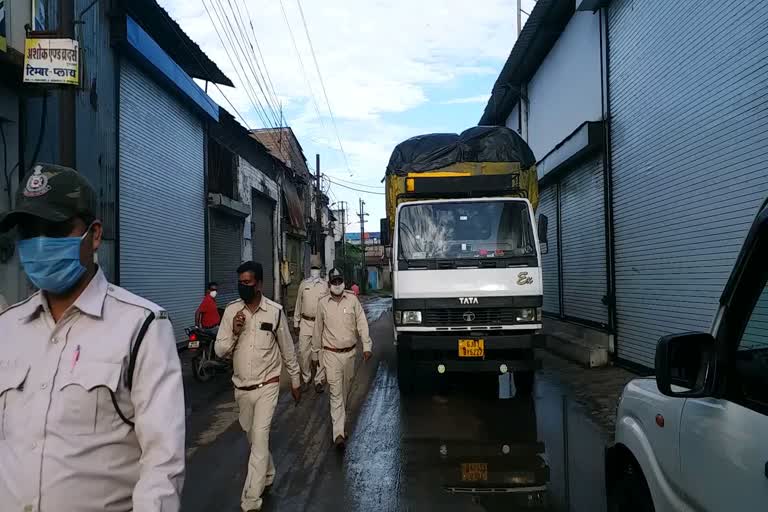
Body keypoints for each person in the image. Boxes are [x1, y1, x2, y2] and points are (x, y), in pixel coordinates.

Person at [0, 163, 185, 511]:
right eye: (28, 232)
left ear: (94, 235)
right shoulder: (6, 329)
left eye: (54, 229)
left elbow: (163, 463)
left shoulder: (141, 326)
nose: (39, 244)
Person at [215, 261, 301, 512]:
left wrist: (295, 379)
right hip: (242, 388)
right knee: (254, 438)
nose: (243, 287)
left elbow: (287, 348)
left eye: (248, 283)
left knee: (260, 437)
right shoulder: (232, 312)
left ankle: (251, 500)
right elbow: (220, 350)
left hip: (268, 385)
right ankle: (268, 472)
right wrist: (233, 331)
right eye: (240, 283)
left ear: (259, 284)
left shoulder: (274, 312)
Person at [313, 268, 373, 449]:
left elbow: (362, 323)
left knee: (345, 390)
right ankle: (338, 433)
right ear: (329, 284)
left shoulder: (353, 300)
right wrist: (316, 354)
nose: (337, 285)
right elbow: (317, 330)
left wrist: (367, 346)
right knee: (336, 393)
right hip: (330, 354)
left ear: (343, 282)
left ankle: (340, 422)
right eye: (334, 282)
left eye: (340, 281)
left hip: (350, 354)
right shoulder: (322, 304)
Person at [293, 254, 329, 393]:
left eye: (317, 268)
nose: (315, 270)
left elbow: (327, 306)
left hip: (319, 324)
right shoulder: (304, 284)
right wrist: (296, 322)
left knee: (319, 351)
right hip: (305, 322)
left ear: (320, 269)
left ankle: (319, 380)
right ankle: (306, 377)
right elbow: (298, 304)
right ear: (310, 269)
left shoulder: (325, 285)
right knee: (303, 352)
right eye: (313, 267)